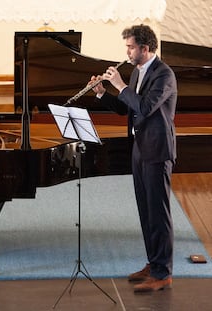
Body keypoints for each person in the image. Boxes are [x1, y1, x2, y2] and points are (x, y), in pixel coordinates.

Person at [90, 24, 177, 292]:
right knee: (145, 209)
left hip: (157, 150)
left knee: (158, 212)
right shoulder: (139, 71)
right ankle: (153, 262)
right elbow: (126, 108)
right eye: (127, 46)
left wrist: (119, 84)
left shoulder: (164, 75)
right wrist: (104, 93)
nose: (126, 51)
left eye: (130, 47)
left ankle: (163, 273)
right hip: (140, 148)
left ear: (145, 48)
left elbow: (146, 107)